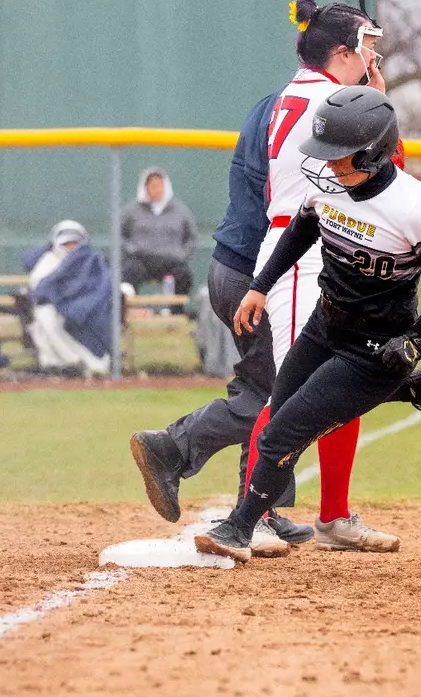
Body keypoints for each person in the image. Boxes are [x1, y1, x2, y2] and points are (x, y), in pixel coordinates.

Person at [196, 87, 421, 564]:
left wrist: (417, 338)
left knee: (281, 434)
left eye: (340, 158)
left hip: (375, 348)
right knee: (278, 414)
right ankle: (413, 390)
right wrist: (260, 285)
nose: (329, 167)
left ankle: (239, 529)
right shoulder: (329, 187)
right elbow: (302, 230)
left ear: (374, 152)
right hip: (324, 328)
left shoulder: (416, 209)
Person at [128, 86, 307, 549]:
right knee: (270, 396)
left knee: (268, 388)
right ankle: (171, 448)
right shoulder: (308, 108)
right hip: (255, 273)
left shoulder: (277, 101)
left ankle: (260, 507)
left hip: (239, 266)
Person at [23, 220, 112, 376]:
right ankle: (66, 363)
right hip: (54, 308)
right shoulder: (48, 260)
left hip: (86, 311)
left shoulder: (92, 261)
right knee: (44, 319)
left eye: (74, 242)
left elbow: (97, 288)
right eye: (66, 243)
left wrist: (76, 306)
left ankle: (92, 365)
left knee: (62, 320)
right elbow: (41, 288)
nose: (70, 247)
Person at [119, 166, 196, 295]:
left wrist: (181, 254)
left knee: (183, 275)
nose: (157, 189)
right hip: (141, 261)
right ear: (145, 187)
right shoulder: (131, 211)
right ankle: (131, 310)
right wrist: (131, 249)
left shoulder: (181, 211)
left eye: (160, 185)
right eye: (152, 185)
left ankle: (176, 311)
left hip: (171, 262)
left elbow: (191, 238)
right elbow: (120, 235)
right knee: (129, 272)